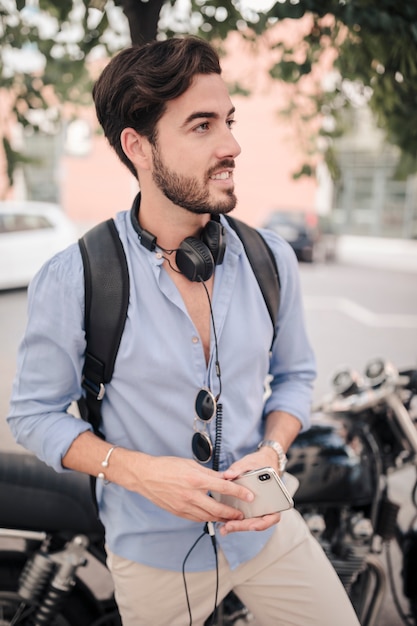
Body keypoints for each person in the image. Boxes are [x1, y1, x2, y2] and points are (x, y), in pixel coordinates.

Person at [8, 37, 360, 626]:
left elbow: (296, 377)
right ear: (137, 147)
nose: (231, 145)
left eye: (228, 120)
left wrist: (272, 451)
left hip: (266, 534)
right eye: (202, 126)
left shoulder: (271, 258)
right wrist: (138, 471)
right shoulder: (74, 278)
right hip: (152, 558)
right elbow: (33, 413)